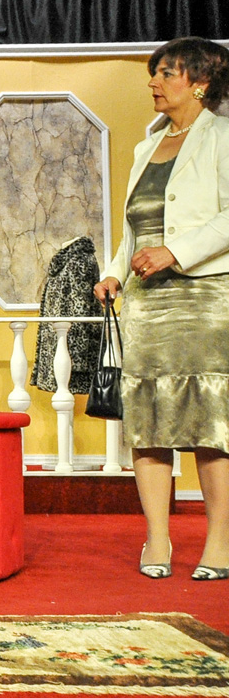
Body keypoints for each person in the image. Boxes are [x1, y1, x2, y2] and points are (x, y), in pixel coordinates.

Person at [94, 36, 229, 582]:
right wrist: (114, 271)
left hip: (204, 298)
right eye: (155, 72)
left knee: (209, 421)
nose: (154, 81)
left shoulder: (223, 138)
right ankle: (157, 537)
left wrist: (176, 251)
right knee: (147, 423)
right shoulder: (144, 148)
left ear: (200, 82)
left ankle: (219, 542)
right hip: (148, 304)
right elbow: (134, 229)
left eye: (167, 72)